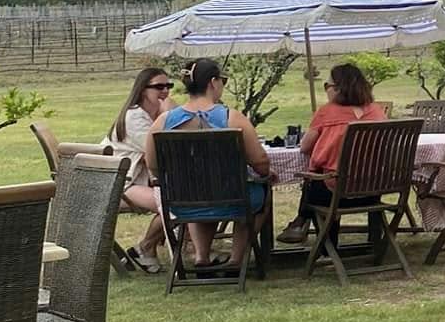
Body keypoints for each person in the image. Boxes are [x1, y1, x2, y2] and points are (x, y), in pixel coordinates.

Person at [144, 59, 274, 268]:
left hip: (182, 202)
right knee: (260, 195)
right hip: (233, 199)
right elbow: (260, 161)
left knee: (200, 192)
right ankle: (236, 259)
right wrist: (264, 173)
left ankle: (201, 257)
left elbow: (152, 162)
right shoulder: (233, 119)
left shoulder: (163, 122)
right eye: (222, 80)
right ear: (213, 82)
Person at [281, 63, 389, 246]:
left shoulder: (326, 113)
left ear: (339, 88)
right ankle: (301, 222)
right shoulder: (377, 111)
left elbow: (305, 147)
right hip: (373, 191)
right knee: (317, 180)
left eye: (327, 86)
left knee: (313, 180)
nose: (326, 91)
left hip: (336, 193)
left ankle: (317, 238)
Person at [105, 66, 174, 264]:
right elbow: (162, 152)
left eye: (168, 86)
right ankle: (146, 247)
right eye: (159, 87)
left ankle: (152, 247)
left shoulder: (149, 115)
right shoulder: (134, 118)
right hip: (116, 184)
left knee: (184, 196)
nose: (165, 91)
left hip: (131, 179)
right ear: (143, 89)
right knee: (174, 203)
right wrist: (167, 115)